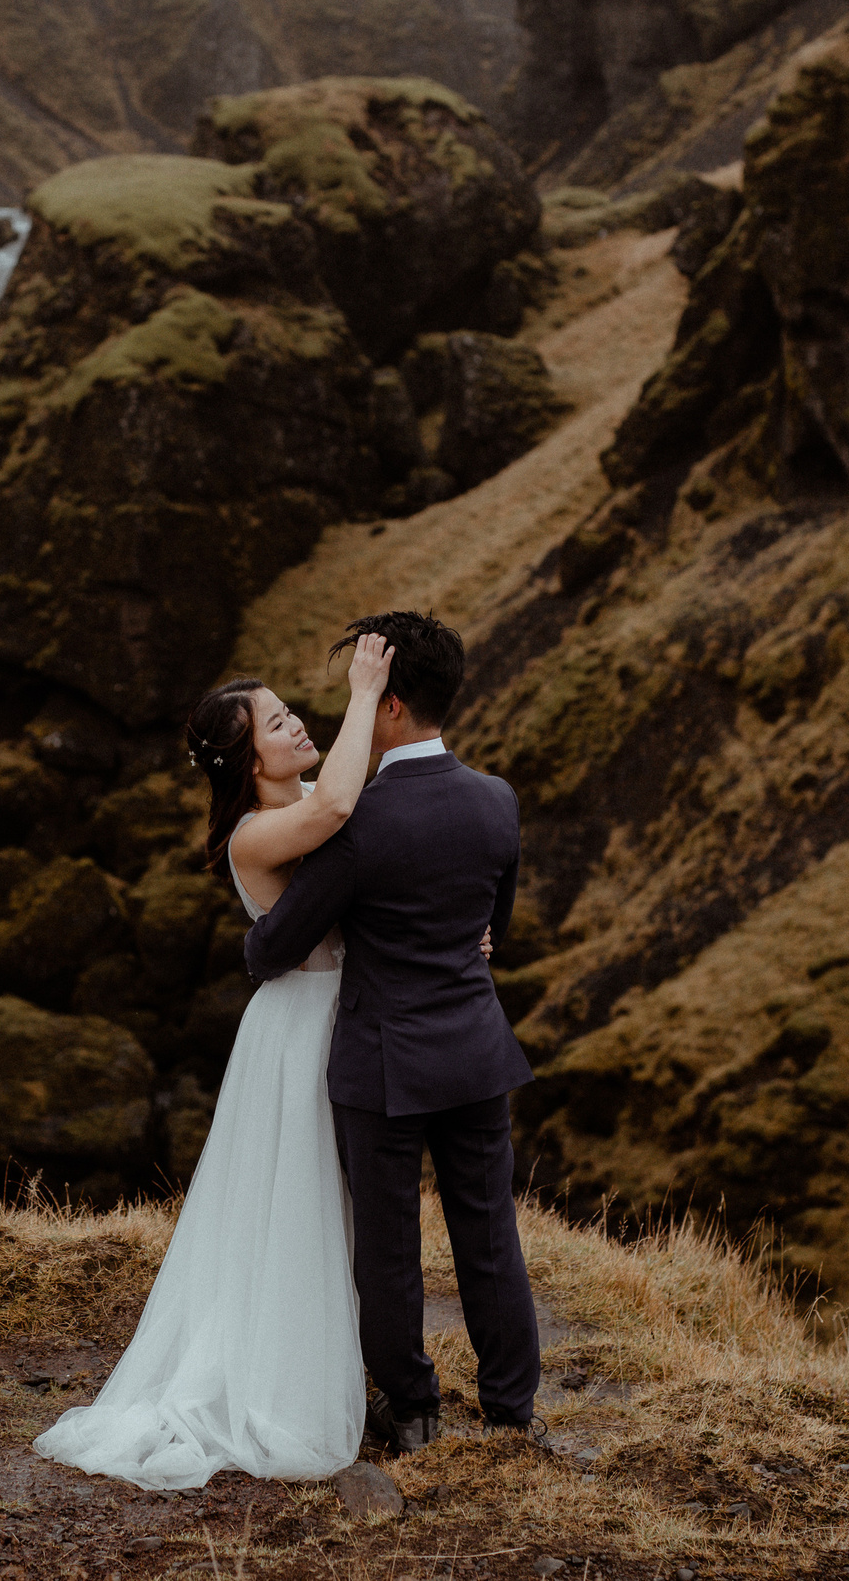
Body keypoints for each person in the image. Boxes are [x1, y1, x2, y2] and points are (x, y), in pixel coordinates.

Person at [31, 633, 397, 1489]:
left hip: (348, 1012)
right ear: (246, 756)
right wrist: (365, 685)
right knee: (300, 1204)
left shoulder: (309, 793)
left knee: (338, 1208)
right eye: (277, 720)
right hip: (302, 1025)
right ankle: (282, 1387)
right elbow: (341, 810)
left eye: (289, 709)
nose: (296, 722)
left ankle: (345, 1364)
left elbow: (373, 844)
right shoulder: (255, 835)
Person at [244, 610, 544, 1455]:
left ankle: (411, 1410)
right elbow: (495, 924)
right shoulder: (497, 801)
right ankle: (513, 1409)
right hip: (478, 1050)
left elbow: (276, 946)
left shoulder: (361, 822)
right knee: (490, 1236)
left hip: (384, 1065)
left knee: (389, 1249)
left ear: (391, 707)